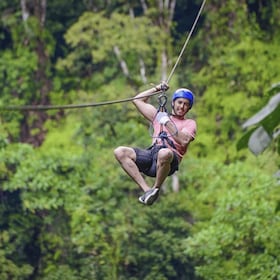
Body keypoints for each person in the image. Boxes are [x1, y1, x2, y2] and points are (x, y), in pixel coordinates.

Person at [114, 82, 197, 205]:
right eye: (180, 102)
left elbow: (183, 140)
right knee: (120, 152)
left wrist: (166, 122)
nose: (182, 106)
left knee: (164, 153)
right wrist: (157, 88)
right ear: (173, 103)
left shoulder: (189, 123)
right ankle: (147, 190)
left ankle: (156, 188)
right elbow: (137, 100)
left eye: (186, 104)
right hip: (152, 156)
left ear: (188, 108)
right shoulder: (159, 116)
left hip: (169, 160)